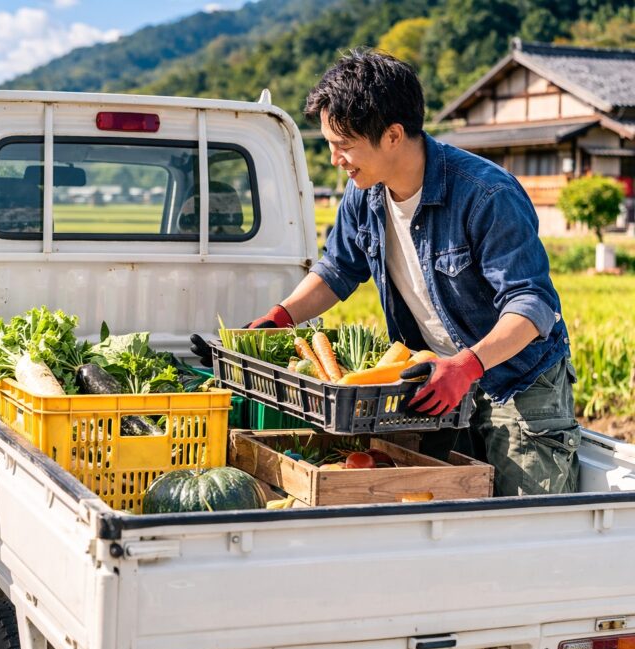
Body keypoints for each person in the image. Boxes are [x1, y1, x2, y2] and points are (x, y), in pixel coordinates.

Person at [239, 49, 579, 496]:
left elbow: (531, 305)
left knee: (521, 516)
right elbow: (338, 268)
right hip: (433, 377)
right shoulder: (364, 194)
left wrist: (467, 366)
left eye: (344, 144)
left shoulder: (486, 194)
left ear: (393, 135)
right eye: (329, 144)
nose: (335, 158)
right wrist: (281, 316)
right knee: (437, 504)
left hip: (515, 380)